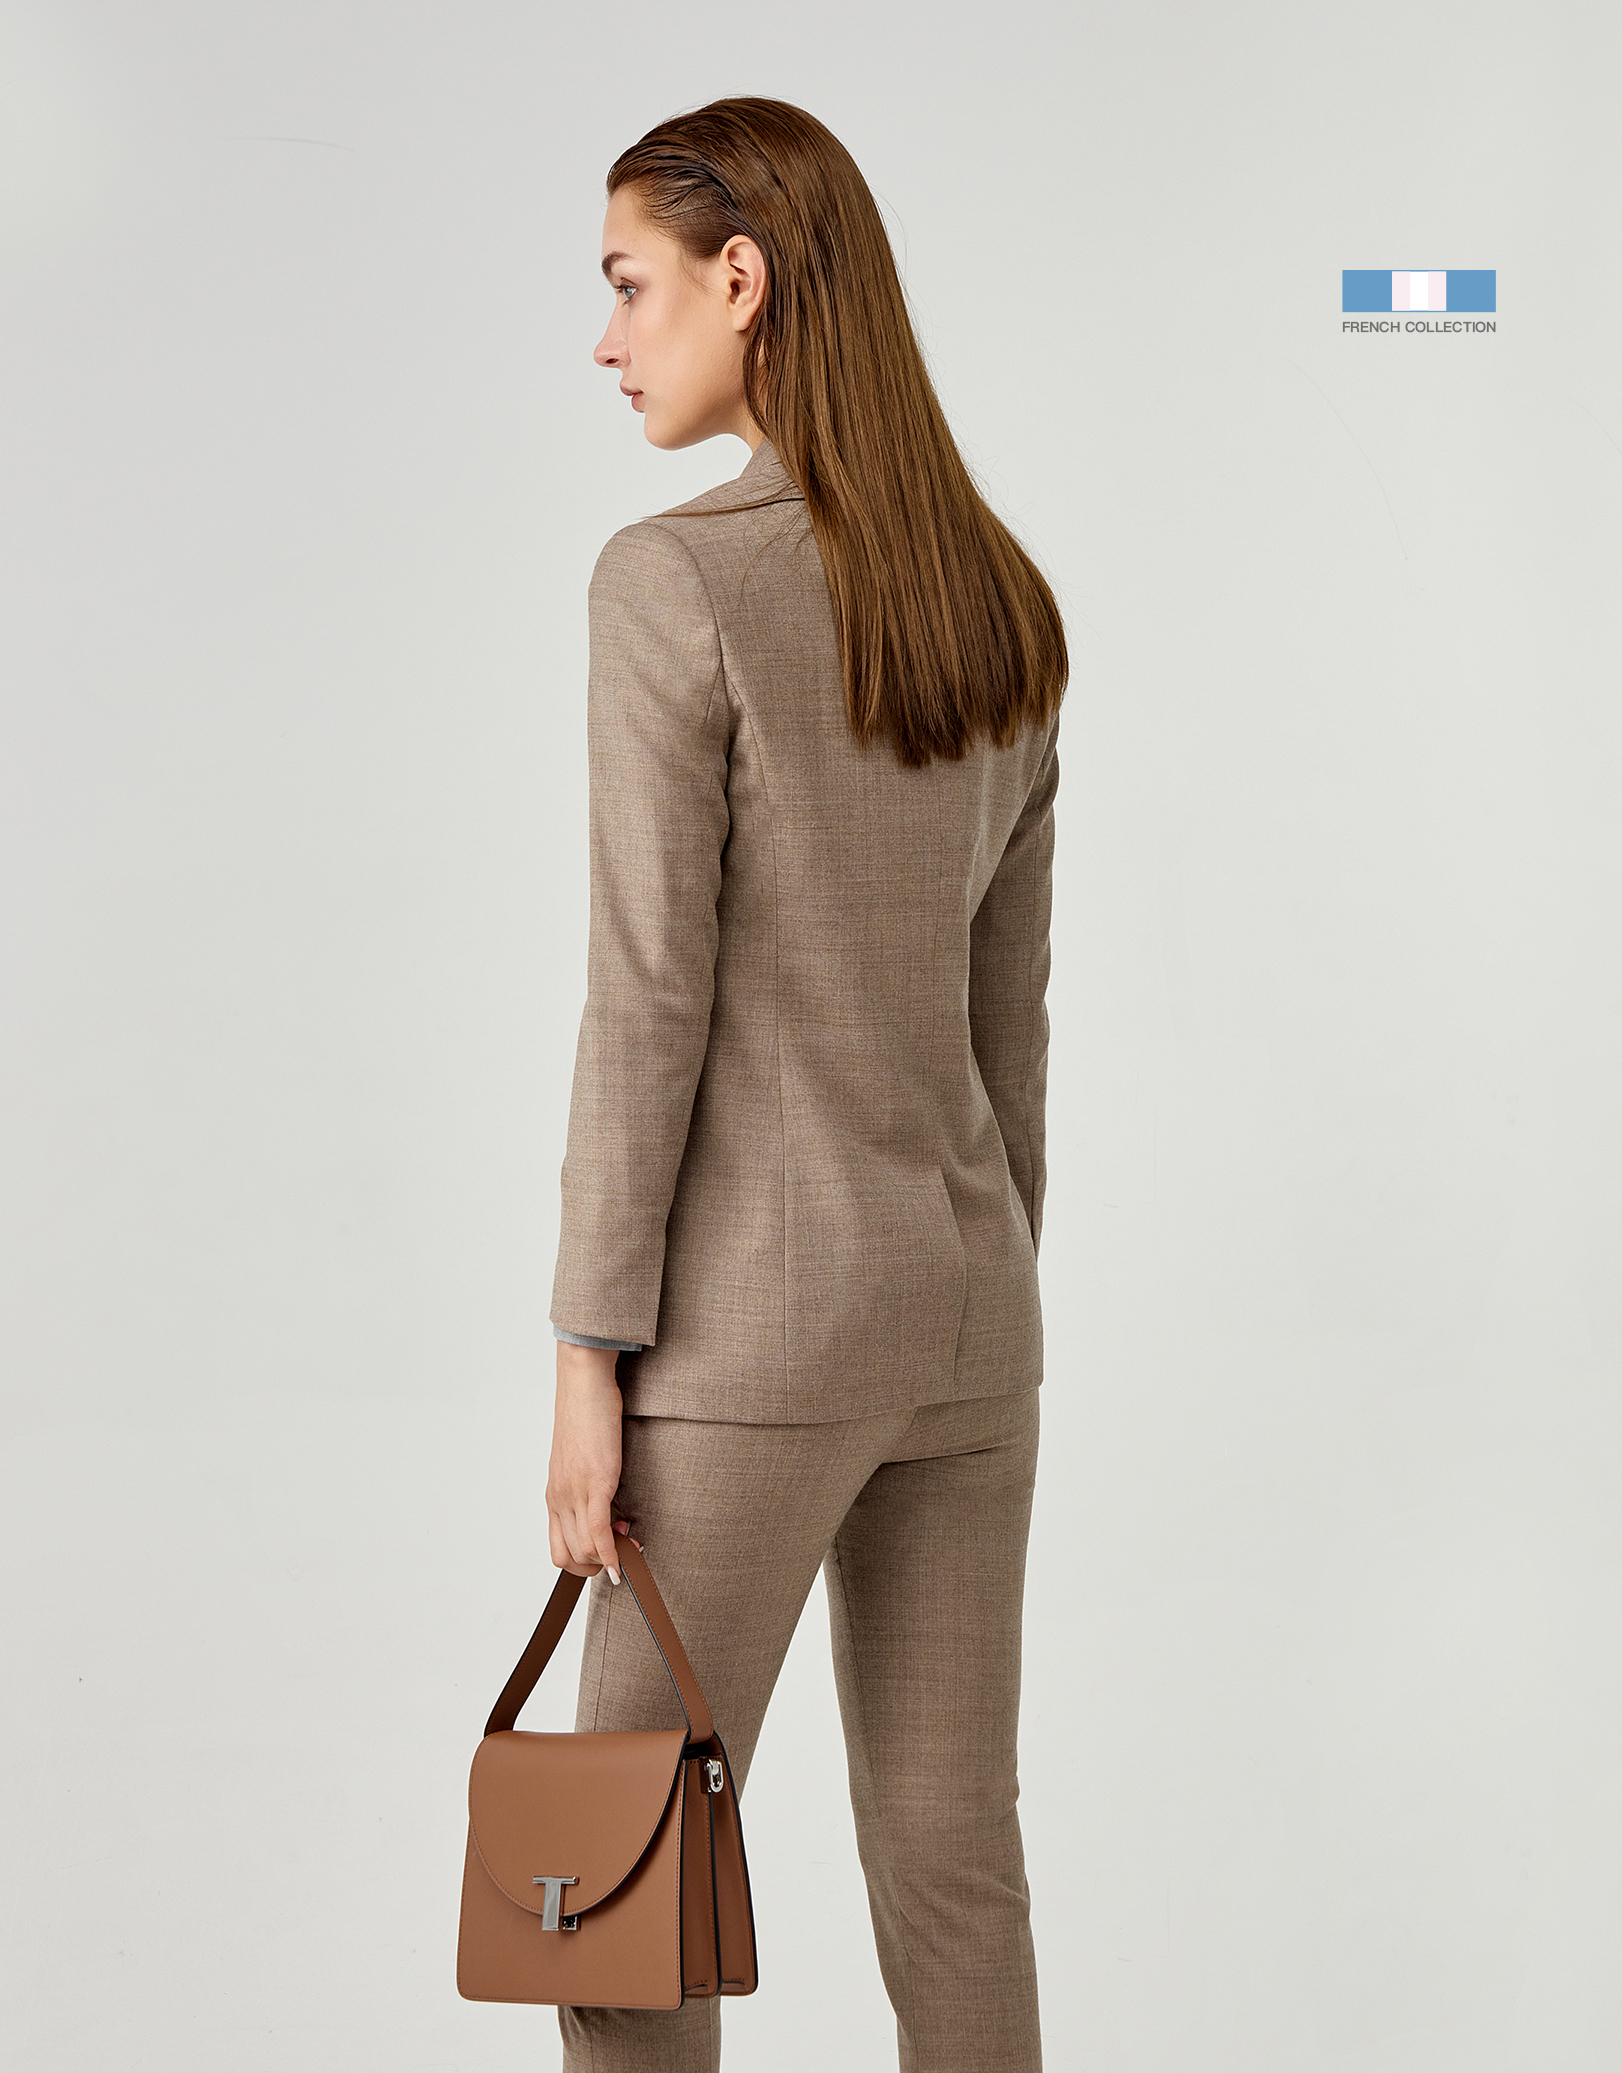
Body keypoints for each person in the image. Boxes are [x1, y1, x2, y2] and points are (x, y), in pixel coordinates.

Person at [543, 96, 1064, 2073]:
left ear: (740, 279)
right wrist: (978, 1284)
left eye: (630, 286)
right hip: (967, 1317)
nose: (607, 339)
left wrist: (588, 1352)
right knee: (954, 1864)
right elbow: (1010, 1027)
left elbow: (643, 998)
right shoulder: (999, 599)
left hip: (751, 1343)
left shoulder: (674, 583)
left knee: (613, 1885)